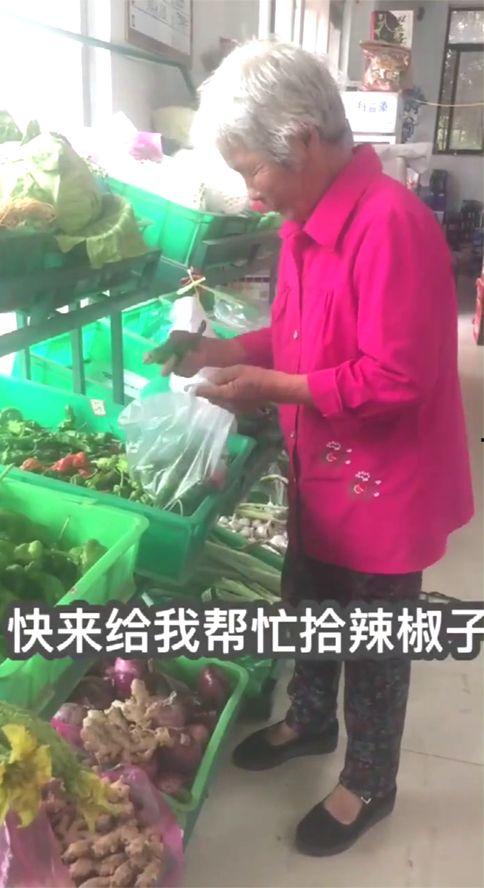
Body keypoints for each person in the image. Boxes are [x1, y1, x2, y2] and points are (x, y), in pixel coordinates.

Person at [146, 39, 473, 856]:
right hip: (323, 466)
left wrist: (272, 388)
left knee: (374, 639)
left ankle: (370, 781)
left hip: (383, 482)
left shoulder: (389, 225)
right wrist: (226, 351)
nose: (251, 190)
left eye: (252, 168)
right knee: (311, 601)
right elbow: (298, 335)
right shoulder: (304, 223)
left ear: (301, 138)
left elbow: (395, 379)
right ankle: (310, 719)